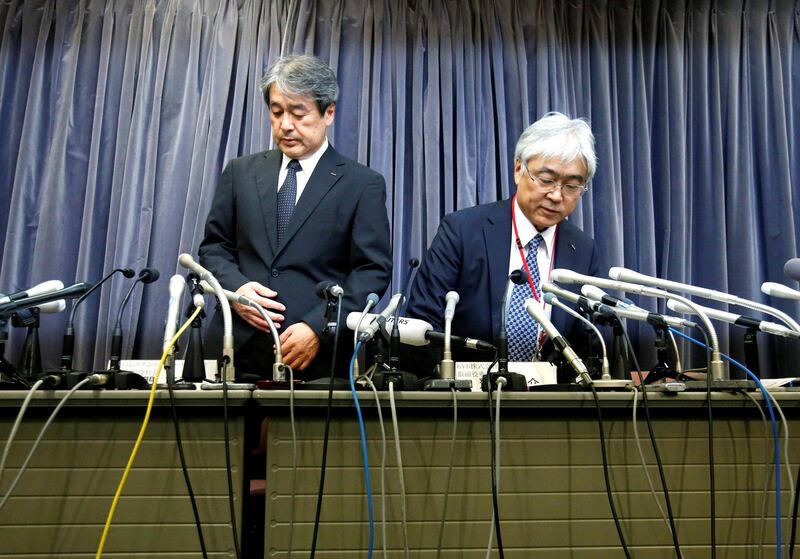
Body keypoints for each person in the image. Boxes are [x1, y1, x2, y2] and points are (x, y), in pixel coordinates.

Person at [198, 54, 392, 379]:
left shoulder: (362, 184)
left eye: (298, 114)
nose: (285, 125)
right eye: (277, 113)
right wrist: (237, 291)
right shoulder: (241, 172)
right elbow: (214, 248)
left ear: (328, 113)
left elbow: (371, 272)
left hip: (317, 359)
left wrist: (318, 327)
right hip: (236, 349)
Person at [406, 112, 601, 379]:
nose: (557, 195)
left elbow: (588, 340)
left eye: (571, 186)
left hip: (550, 404)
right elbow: (423, 324)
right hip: (466, 402)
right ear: (518, 169)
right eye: (546, 180)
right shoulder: (463, 231)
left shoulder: (582, 249)